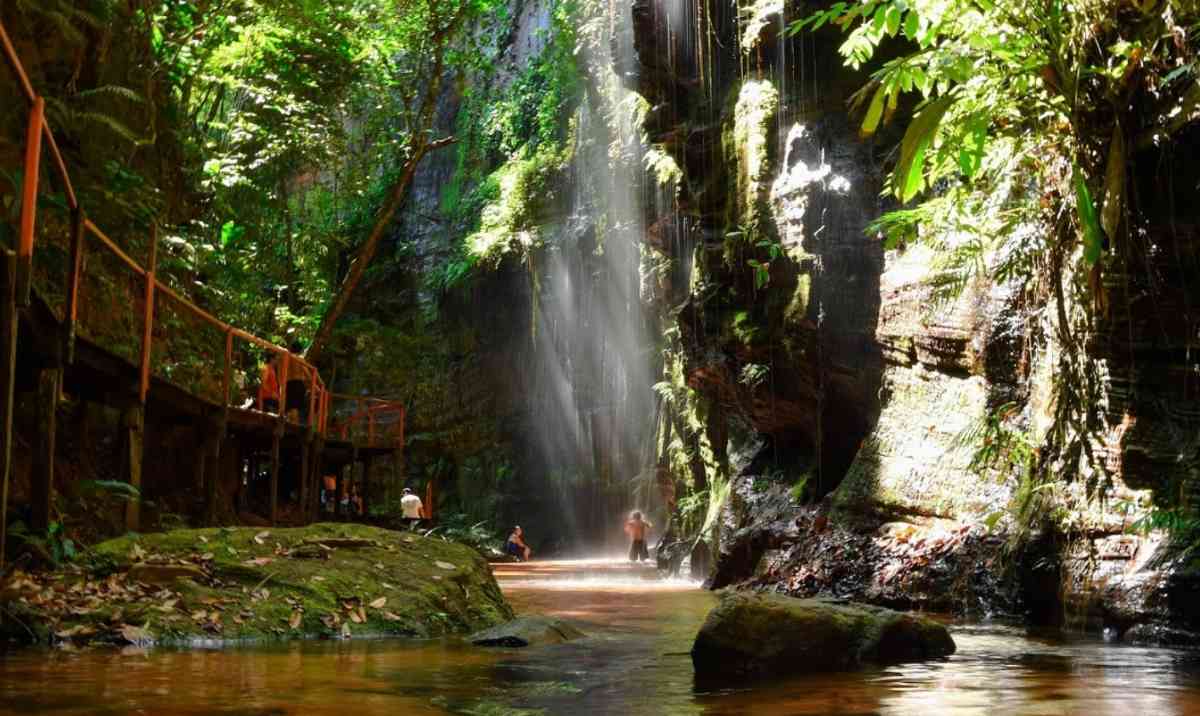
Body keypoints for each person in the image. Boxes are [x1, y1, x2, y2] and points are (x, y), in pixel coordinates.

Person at [284, 341, 308, 425]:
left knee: (289, 406)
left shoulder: (287, 358)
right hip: (298, 383)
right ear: (300, 350)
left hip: (288, 383)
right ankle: (294, 425)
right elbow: (307, 372)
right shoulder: (300, 359)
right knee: (295, 407)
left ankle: (289, 423)